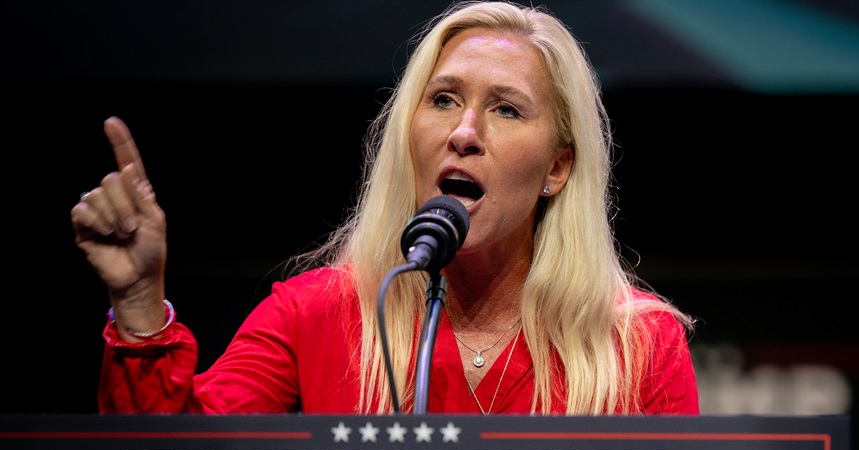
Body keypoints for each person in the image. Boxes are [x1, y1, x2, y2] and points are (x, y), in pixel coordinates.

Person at [70, 0, 698, 416]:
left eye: (507, 109)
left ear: (557, 169)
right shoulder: (314, 314)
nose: (465, 131)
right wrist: (138, 304)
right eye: (444, 99)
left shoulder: (636, 344)